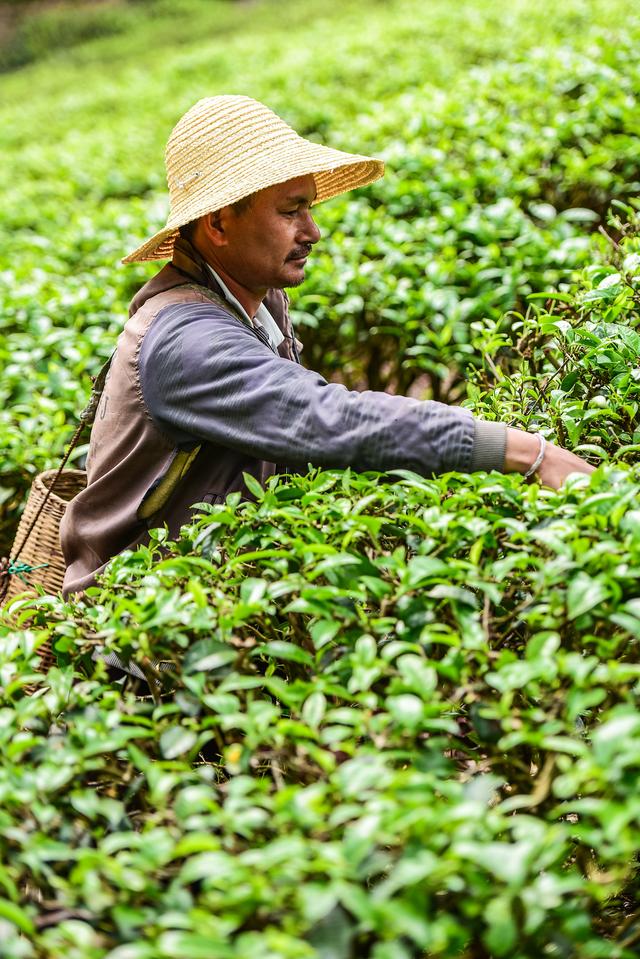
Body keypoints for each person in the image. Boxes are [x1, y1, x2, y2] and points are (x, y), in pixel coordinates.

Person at [60, 95, 593, 595]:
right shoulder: (187, 341)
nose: (313, 231)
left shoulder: (256, 303)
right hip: (142, 637)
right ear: (219, 224)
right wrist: (527, 453)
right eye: (291, 211)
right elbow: (324, 416)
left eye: (310, 209)